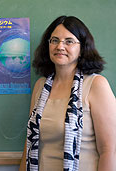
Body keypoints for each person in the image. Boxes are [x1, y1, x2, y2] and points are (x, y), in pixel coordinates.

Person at [19, 16, 116, 171]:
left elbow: (110, 151)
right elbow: (29, 143)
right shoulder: (41, 86)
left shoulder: (96, 85)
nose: (60, 46)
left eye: (69, 41)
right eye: (54, 40)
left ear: (82, 48)